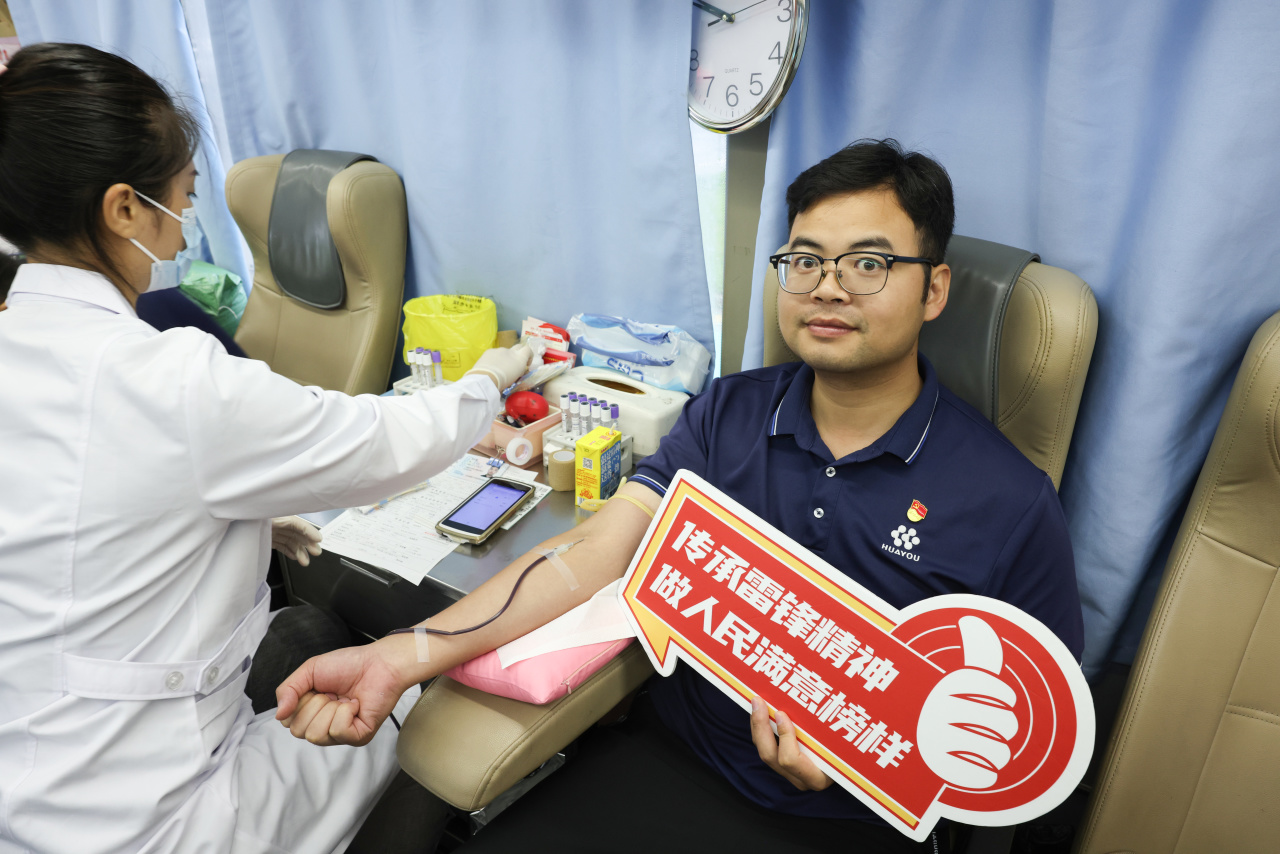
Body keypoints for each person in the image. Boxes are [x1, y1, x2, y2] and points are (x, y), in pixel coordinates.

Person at [277, 140, 1083, 853]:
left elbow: (1028, 745)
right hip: (670, 762)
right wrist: (398, 656)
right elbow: (592, 552)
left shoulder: (1008, 502)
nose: (828, 288)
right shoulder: (727, 415)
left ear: (934, 290)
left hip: (857, 824)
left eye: (868, 264)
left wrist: (870, 765)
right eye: (805, 261)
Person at [0, 43, 531, 854]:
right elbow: (385, 443)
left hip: (30, 779)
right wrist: (489, 379)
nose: (184, 229)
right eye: (183, 199)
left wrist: (222, 523)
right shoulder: (166, 378)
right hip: (150, 817)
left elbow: (68, 511)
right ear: (123, 209)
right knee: (434, 711)